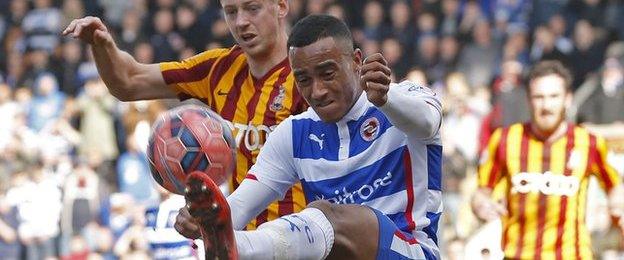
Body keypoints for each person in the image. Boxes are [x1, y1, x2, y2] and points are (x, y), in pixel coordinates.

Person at [177, 14, 443, 259]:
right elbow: (237, 208)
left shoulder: (405, 99)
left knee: (324, 212)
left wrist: (387, 100)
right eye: (303, 79)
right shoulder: (294, 133)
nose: (316, 91)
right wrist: (204, 220)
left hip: (410, 251)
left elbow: (427, 124)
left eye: (328, 74)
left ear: (356, 62)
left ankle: (241, 249)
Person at [62, 0, 307, 229]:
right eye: (231, 11)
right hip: (239, 243)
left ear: (281, 6)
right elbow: (128, 82)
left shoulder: (310, 77)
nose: (240, 21)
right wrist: (102, 45)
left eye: (252, 8)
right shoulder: (218, 68)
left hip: (300, 241)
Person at [472, 60, 624, 259]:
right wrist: (481, 205)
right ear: (529, 100)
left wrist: (618, 207)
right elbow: (482, 193)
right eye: (539, 97)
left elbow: (614, 187)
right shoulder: (505, 140)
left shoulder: (589, 142)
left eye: (553, 97)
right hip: (517, 255)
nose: (546, 105)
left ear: (568, 99)